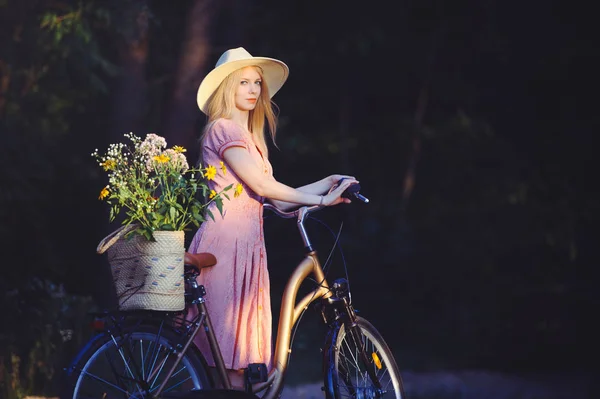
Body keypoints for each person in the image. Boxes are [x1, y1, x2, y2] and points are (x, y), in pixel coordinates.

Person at [187, 47, 358, 390]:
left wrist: (326, 184)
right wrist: (320, 198)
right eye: (243, 82)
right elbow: (264, 184)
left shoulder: (251, 141)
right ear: (227, 89)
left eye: (256, 83)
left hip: (248, 246)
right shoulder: (223, 130)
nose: (252, 90)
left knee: (239, 364)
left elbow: (274, 198)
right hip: (226, 246)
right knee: (227, 356)